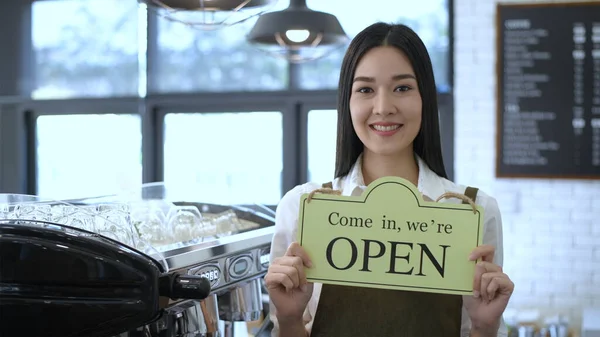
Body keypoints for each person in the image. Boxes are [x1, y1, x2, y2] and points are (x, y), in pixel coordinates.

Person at [265, 22, 514, 337]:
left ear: (425, 97)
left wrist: (485, 326)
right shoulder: (303, 207)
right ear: (348, 101)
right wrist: (289, 321)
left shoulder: (474, 210)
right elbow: (288, 326)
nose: (383, 108)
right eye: (366, 89)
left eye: (403, 88)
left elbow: (477, 327)